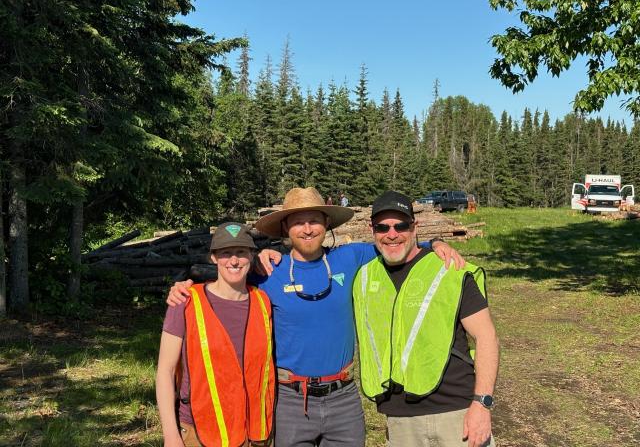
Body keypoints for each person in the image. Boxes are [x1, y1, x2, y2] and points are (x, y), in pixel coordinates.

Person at [167, 187, 464, 447]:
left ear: (326, 224)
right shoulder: (266, 272)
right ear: (285, 228)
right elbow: (225, 283)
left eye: (314, 221)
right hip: (289, 400)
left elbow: (394, 244)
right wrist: (185, 287)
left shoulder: (351, 258)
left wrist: (435, 243)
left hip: (344, 397)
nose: (307, 229)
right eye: (298, 222)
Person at [352, 191, 499, 447]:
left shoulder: (449, 270)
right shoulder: (364, 276)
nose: (392, 233)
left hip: (457, 414)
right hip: (400, 420)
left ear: (415, 226)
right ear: (371, 230)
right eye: (382, 227)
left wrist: (482, 403)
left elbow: (486, 337)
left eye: (401, 225)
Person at [156, 222, 275, 447]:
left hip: (255, 431)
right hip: (200, 431)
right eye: (225, 253)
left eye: (241, 252)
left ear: (252, 256)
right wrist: (171, 436)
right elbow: (165, 371)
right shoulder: (185, 301)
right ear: (213, 257)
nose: (233, 260)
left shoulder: (263, 301)